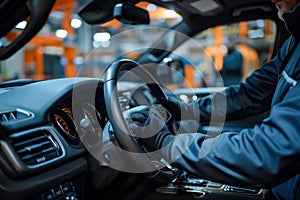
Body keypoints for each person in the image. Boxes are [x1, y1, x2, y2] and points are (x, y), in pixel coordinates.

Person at [129, 0, 300, 199]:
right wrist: (185, 110)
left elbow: (268, 152)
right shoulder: (294, 44)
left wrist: (164, 142)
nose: (272, 0)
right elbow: (249, 95)